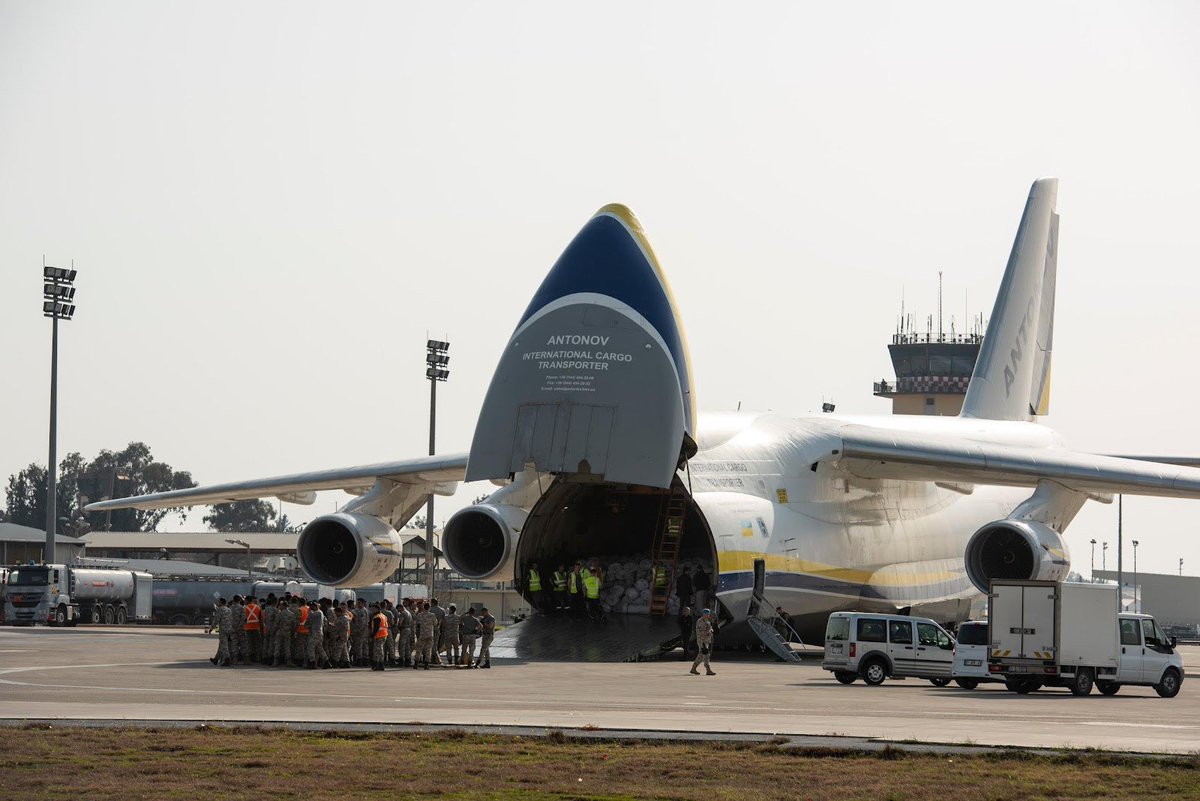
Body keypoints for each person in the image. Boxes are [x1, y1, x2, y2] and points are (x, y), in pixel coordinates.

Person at [690, 608, 718, 676]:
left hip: (706, 640)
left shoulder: (707, 621)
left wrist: (711, 630)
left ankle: (693, 668)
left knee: (701, 656)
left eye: (708, 614)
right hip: (702, 641)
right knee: (706, 655)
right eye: (706, 614)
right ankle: (708, 670)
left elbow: (709, 629)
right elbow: (702, 632)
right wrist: (709, 631)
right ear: (703, 614)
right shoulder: (701, 621)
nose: (708, 615)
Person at [415, 601, 436, 670]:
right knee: (428, 649)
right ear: (429, 608)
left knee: (419, 649)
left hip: (422, 634)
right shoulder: (432, 615)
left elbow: (417, 623)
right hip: (430, 634)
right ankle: (426, 665)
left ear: (424, 607)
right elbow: (435, 623)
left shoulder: (420, 615)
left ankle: (416, 664)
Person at [210, 598, 231, 666]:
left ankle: (227, 659)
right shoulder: (229, 609)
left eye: (219, 602)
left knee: (224, 645)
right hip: (229, 629)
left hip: (223, 630)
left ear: (221, 602)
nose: (218, 603)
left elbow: (216, 620)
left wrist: (211, 628)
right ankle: (216, 659)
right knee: (222, 644)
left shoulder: (220, 609)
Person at [369, 602, 389, 670]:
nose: (372, 610)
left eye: (373, 609)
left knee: (378, 650)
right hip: (383, 634)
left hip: (379, 635)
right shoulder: (383, 615)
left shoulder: (377, 617)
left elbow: (376, 628)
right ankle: (377, 664)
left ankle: (380, 664)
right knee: (378, 650)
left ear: (377, 609)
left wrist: (372, 636)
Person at [244, 596, 262, 663]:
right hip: (256, 628)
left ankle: (248, 659)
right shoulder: (258, 607)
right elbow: (260, 618)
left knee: (248, 644)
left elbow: (244, 619)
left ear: (247, 600)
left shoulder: (245, 608)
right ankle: (258, 658)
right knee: (257, 643)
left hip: (248, 628)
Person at [352, 599, 370, 667]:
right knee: (365, 645)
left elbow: (362, 622)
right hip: (364, 631)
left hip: (362, 631)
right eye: (357, 603)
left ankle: (359, 660)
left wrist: (359, 631)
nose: (358, 604)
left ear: (362, 603)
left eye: (359, 603)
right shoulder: (364, 610)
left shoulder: (362, 611)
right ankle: (365, 660)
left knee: (359, 645)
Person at [396, 598, 414, 667]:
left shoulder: (403, 613)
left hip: (404, 629)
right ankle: (408, 659)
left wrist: (398, 627)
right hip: (409, 629)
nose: (398, 611)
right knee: (407, 645)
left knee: (402, 645)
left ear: (400, 608)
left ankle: (402, 659)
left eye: (398, 609)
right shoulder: (408, 612)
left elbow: (400, 623)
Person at [430, 598, 446, 665]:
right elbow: (443, 621)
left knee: (429, 644)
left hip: (429, 628)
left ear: (433, 603)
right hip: (437, 628)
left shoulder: (430, 609)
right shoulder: (442, 610)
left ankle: (435, 658)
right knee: (435, 644)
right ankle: (434, 659)